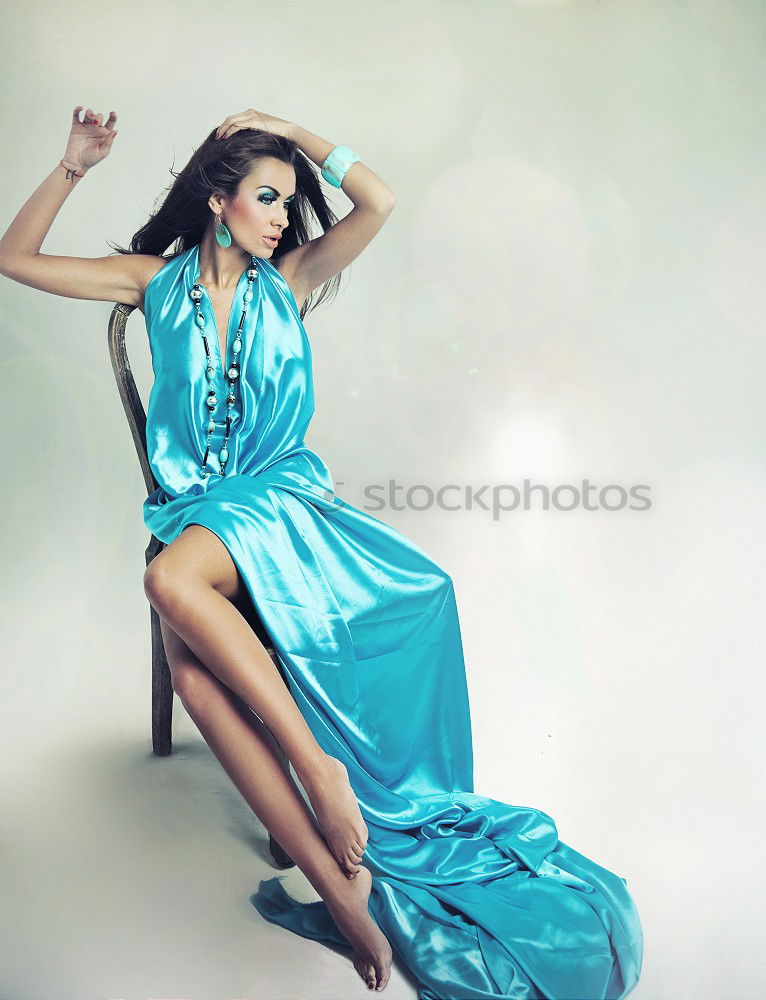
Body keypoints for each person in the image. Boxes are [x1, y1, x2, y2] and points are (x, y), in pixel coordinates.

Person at [0, 105, 644, 999]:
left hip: (288, 505)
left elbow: (376, 202)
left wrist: (290, 132)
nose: (280, 217)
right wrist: (73, 165)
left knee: (180, 619)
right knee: (178, 607)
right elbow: (14, 259)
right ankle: (341, 871)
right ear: (218, 199)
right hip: (197, 512)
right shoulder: (149, 282)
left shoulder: (293, 280)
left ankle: (325, 810)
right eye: (266, 199)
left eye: (288, 203)